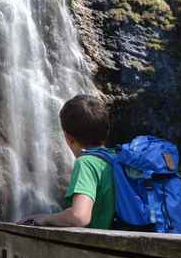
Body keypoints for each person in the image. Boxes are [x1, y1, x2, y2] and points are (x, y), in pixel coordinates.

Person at [22, 94, 115, 228]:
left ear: (68, 137)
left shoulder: (86, 163)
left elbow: (79, 217)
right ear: (107, 130)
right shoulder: (116, 158)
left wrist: (46, 218)